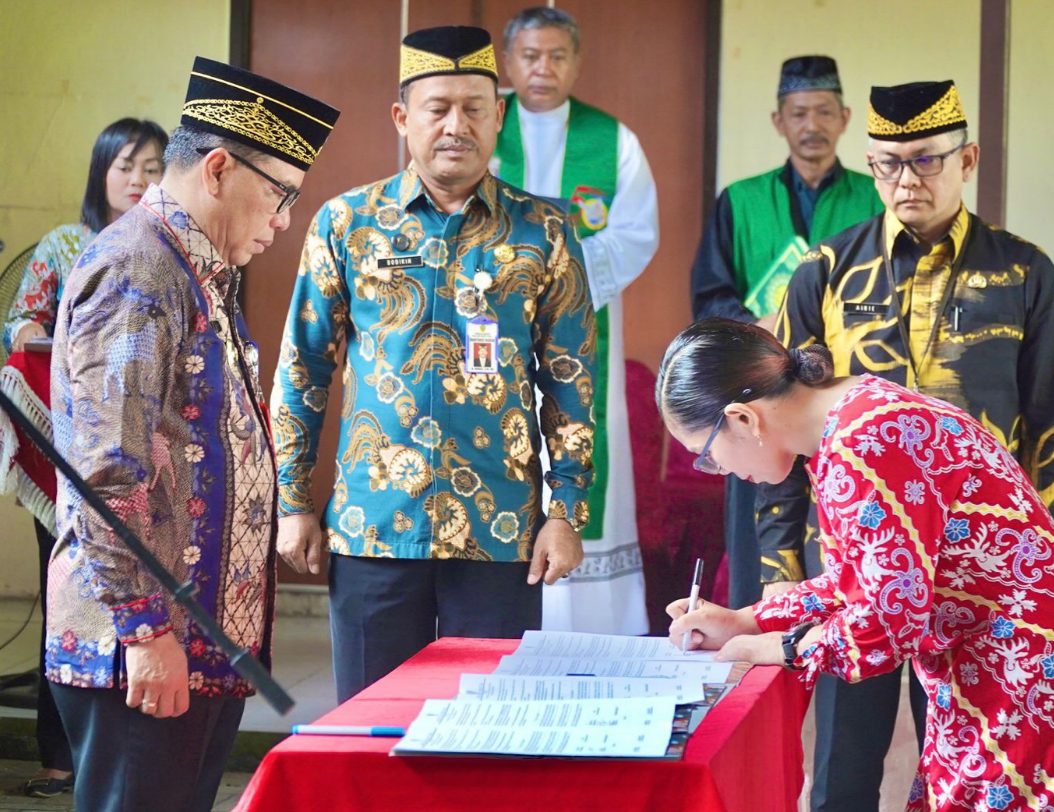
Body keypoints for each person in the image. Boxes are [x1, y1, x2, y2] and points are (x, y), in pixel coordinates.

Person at [659, 318, 1054, 812]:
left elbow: (887, 624)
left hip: (1036, 681)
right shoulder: (855, 414)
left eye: (707, 455)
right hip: (1018, 667)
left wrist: (783, 647)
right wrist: (747, 620)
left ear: (742, 418)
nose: (721, 472)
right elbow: (862, 581)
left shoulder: (862, 441)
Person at [760, 79, 1054, 811]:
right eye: (887, 164)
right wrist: (781, 568)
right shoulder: (824, 271)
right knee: (841, 771)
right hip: (850, 565)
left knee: (970, 769)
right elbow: (780, 425)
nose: (907, 181)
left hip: (981, 572)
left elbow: (1052, 428)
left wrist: (1050, 570)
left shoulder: (1023, 273)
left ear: (967, 160)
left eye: (927, 160)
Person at [273, 25, 597, 703]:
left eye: (474, 108)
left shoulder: (544, 231)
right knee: (371, 725)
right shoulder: (347, 224)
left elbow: (570, 381)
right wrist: (293, 500)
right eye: (437, 108)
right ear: (402, 118)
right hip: (373, 527)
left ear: (499, 115)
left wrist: (565, 511)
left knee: (491, 729)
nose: (456, 126)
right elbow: (303, 369)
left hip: (502, 533)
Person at [47, 57, 339, 812]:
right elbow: (107, 475)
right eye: (280, 194)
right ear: (217, 169)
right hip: (140, 648)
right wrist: (146, 633)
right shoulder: (140, 270)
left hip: (195, 643)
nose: (284, 219)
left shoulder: (194, 266)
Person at [0, 116, 167, 799]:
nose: (139, 180)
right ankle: (59, 756)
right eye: (126, 166)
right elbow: (20, 324)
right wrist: (39, 333)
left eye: (152, 168)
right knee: (68, 596)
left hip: (151, 455)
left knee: (147, 602)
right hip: (68, 452)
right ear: (101, 171)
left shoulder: (169, 244)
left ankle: (135, 748)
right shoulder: (66, 244)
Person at [690, 56, 882, 611]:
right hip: (757, 394)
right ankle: (755, 638)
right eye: (799, 113)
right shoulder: (740, 200)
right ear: (779, 121)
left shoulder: (874, 199)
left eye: (824, 111)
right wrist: (763, 327)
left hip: (837, 400)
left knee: (845, 544)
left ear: (845, 118)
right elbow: (709, 295)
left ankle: (839, 643)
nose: (811, 125)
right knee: (758, 543)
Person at [495, 6, 658, 635]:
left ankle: (591, 621)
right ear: (509, 61)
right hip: (494, 324)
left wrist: (557, 279)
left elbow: (636, 232)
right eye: (530, 56)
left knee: (581, 436)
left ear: (576, 62)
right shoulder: (483, 122)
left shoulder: (613, 140)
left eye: (557, 56)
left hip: (582, 322)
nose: (543, 68)